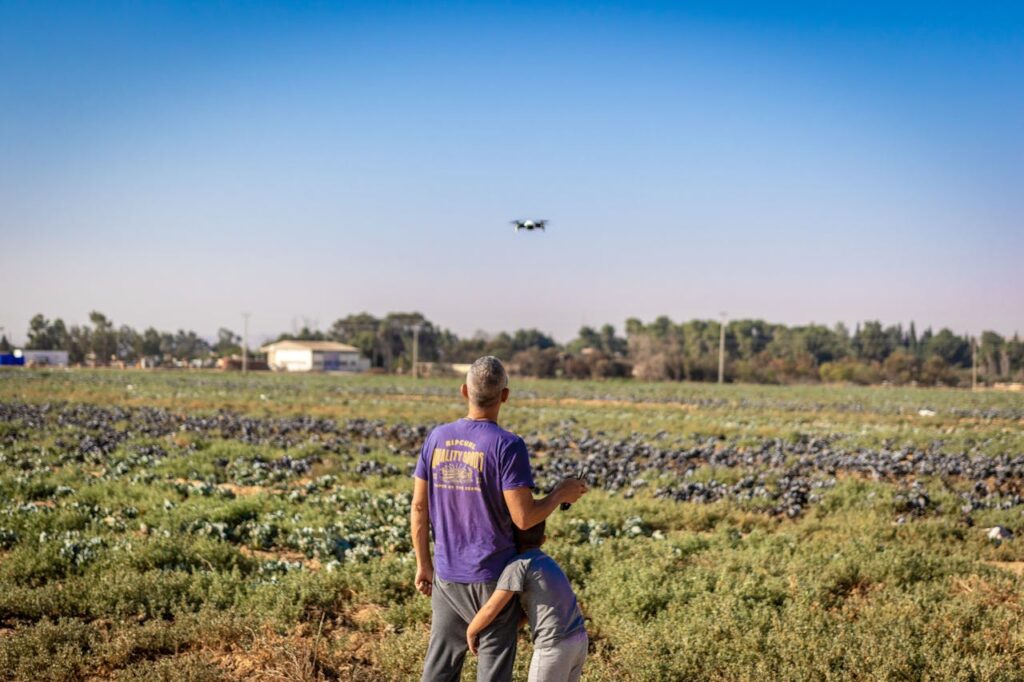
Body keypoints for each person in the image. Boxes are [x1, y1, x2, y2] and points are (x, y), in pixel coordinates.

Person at [412, 356, 588, 682]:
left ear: (464, 391)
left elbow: (419, 508)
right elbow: (524, 518)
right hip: (493, 579)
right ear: (505, 396)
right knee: (492, 674)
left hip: (447, 576)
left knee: (437, 673)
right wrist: (558, 495)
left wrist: (424, 564)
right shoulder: (507, 446)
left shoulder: (436, 438)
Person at [466, 520, 587, 682]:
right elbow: (536, 608)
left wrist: (471, 630)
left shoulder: (518, 565)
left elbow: (491, 607)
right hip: (579, 640)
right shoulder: (548, 562)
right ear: (543, 539)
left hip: (553, 646)